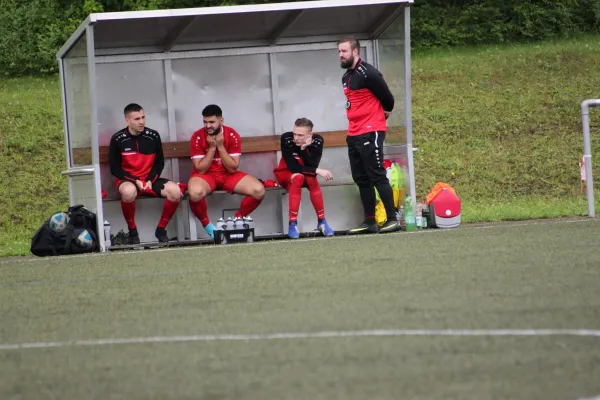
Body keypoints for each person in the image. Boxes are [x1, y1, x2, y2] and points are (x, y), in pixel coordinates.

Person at [108, 103, 215, 243]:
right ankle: (132, 232)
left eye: (143, 117)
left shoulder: (153, 136)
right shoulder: (118, 138)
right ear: (127, 121)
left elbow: (159, 163)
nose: (141, 122)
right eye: (136, 119)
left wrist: (150, 180)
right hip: (129, 180)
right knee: (128, 192)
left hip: (150, 179)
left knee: (175, 192)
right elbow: (115, 169)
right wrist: (136, 180)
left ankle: (161, 229)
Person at [338, 36, 401, 234]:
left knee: (376, 175)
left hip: (370, 131)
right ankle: (369, 221)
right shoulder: (346, 77)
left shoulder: (369, 73)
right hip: (354, 133)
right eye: (339, 52)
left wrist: (382, 116)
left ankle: (392, 219)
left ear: (355, 52)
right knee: (361, 178)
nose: (340, 55)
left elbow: (388, 99)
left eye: (344, 51)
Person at [187, 104, 265, 225]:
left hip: (227, 174)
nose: (208, 126)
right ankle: (208, 226)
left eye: (212, 122)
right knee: (194, 193)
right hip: (206, 175)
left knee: (259, 190)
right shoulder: (197, 136)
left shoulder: (232, 134)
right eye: (205, 122)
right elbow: (201, 170)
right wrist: (212, 148)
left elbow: (232, 168)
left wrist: (220, 146)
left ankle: (236, 221)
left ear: (221, 120)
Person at [273, 118, 335, 239]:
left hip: (306, 172)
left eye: (300, 135)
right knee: (298, 178)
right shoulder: (286, 138)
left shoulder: (317, 140)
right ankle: (292, 224)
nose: (295, 138)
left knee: (311, 179)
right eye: (294, 133)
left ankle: (322, 221)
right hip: (286, 172)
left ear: (309, 134)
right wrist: (318, 171)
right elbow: (293, 167)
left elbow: (312, 165)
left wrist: (304, 149)